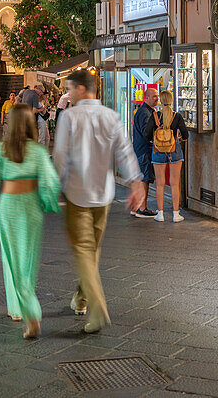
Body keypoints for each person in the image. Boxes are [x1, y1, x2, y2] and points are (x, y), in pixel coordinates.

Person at [53, 69, 145, 334]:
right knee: (92, 250)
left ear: (82, 89)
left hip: (77, 194)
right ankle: (81, 298)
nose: (68, 93)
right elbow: (125, 152)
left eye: (70, 88)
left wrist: (53, 187)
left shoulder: (69, 117)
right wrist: (135, 181)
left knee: (83, 250)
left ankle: (97, 306)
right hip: (103, 195)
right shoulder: (111, 116)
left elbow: (60, 157)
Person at [0, 104, 61, 339]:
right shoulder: (39, 152)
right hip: (31, 208)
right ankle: (26, 307)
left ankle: (20, 310)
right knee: (28, 261)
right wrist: (48, 202)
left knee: (10, 260)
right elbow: (51, 183)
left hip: (8, 207)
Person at [152, 90, 187, 222]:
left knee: (160, 184)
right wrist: (179, 138)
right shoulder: (176, 116)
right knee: (174, 183)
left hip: (158, 152)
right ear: (171, 100)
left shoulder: (155, 116)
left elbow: (146, 133)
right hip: (174, 151)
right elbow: (185, 134)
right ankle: (175, 214)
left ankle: (160, 214)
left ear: (161, 101)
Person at [130, 88, 158, 218]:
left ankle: (136, 207)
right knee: (144, 178)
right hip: (144, 149)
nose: (156, 98)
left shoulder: (145, 111)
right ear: (146, 98)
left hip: (141, 148)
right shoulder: (146, 113)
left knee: (142, 177)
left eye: (157, 96)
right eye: (154, 96)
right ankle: (142, 208)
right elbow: (147, 132)